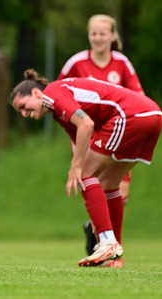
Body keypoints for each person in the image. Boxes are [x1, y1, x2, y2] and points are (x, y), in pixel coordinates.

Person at [9, 69, 162, 268]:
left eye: (23, 106)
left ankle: (107, 242)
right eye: (19, 111)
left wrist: (76, 168)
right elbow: (81, 140)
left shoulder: (52, 93)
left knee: (85, 174)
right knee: (108, 183)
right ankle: (113, 255)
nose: (23, 114)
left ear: (37, 93)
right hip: (153, 114)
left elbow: (86, 124)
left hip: (132, 115)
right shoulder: (58, 112)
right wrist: (97, 214)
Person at [58, 14, 144, 256]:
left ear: (113, 36)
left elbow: (138, 96)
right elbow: (59, 95)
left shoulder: (121, 63)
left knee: (119, 194)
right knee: (97, 185)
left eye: (102, 33)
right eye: (93, 33)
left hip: (119, 134)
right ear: (88, 35)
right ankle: (105, 242)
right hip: (89, 136)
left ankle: (98, 232)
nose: (98, 38)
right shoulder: (76, 63)